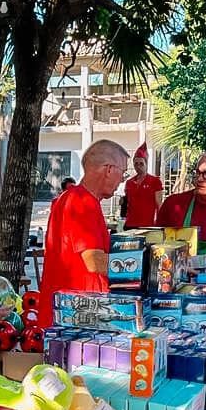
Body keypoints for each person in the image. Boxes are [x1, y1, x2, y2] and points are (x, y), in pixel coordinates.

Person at [38, 140, 129, 327]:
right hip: (78, 316)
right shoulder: (82, 202)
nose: (122, 181)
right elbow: (94, 261)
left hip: (70, 312)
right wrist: (144, 268)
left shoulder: (72, 198)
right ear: (109, 169)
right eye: (123, 173)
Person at [121, 142, 163, 228]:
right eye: (136, 164)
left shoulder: (155, 181)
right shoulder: (129, 182)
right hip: (130, 224)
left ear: (146, 164)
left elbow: (159, 204)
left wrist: (160, 222)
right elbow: (127, 203)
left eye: (141, 163)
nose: (138, 166)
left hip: (147, 224)